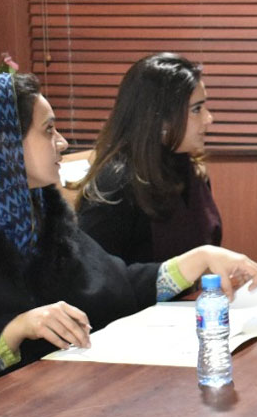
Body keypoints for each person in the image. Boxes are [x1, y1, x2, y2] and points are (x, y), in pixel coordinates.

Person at [0, 73, 257, 389]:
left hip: (60, 392)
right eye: (48, 130)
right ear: (3, 145)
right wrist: (13, 330)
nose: (62, 142)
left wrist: (197, 261)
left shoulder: (39, 215)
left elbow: (113, 284)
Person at [77, 53, 222, 263]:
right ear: (160, 118)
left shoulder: (191, 169)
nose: (209, 118)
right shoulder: (115, 185)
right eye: (196, 109)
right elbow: (93, 272)